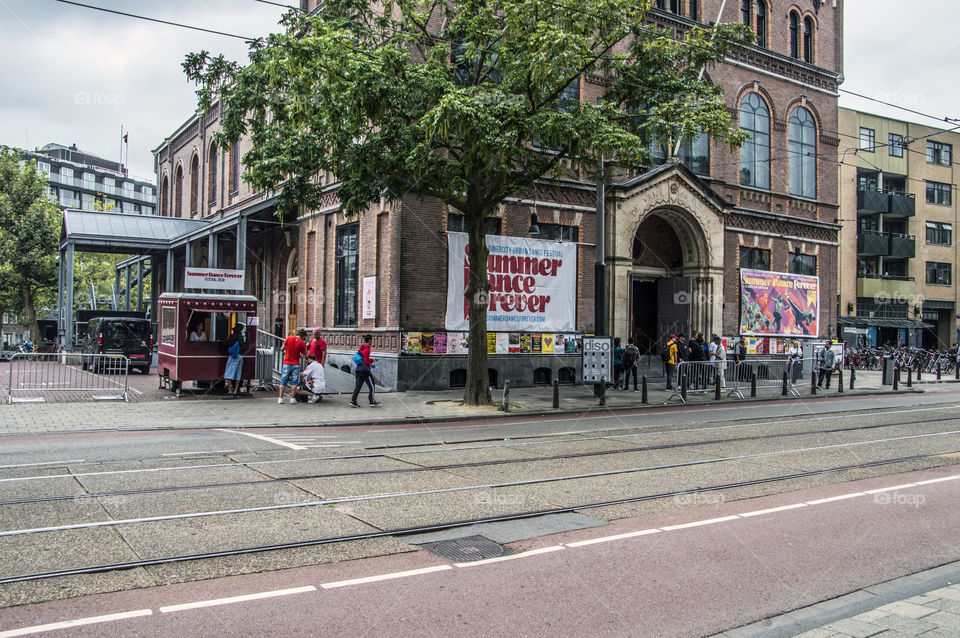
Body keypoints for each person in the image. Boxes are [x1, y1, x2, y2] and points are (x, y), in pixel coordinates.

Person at [350, 334, 380, 407]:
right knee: (372, 386)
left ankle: (353, 401)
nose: (372, 341)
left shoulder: (362, 348)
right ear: (369, 340)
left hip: (358, 369)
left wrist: (371, 361)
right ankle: (371, 401)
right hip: (365, 371)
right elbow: (366, 361)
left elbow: (363, 359)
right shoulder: (367, 349)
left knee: (358, 386)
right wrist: (371, 362)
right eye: (371, 340)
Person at [278, 328, 307, 405]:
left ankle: (280, 398)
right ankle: (292, 398)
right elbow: (303, 355)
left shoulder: (289, 338)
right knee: (294, 382)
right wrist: (298, 355)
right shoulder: (302, 343)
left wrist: (285, 352)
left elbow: (282, 348)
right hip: (295, 364)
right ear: (303, 336)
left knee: (283, 380)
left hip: (287, 363)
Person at [222, 324, 244, 398]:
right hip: (240, 356)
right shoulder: (242, 337)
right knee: (238, 374)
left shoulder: (233, 336)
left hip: (233, 356)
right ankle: (235, 390)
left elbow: (225, 343)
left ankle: (230, 390)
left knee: (229, 373)